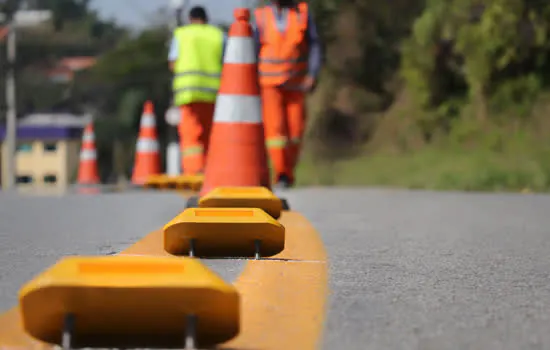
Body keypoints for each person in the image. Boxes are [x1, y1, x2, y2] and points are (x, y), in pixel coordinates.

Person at [253, 0, 323, 188]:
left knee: (295, 132)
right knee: (275, 131)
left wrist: (312, 74)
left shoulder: (302, 12)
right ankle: (281, 173)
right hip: (269, 84)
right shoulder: (261, 16)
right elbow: (253, 49)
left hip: (297, 83)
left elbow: (314, 45)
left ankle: (288, 172)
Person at [168, 6, 226, 175]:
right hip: (213, 93)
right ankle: (210, 170)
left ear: (190, 19)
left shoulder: (182, 34)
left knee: (191, 133)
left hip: (188, 93)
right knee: (210, 133)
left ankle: (194, 170)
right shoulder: (218, 35)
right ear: (206, 19)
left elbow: (172, 63)